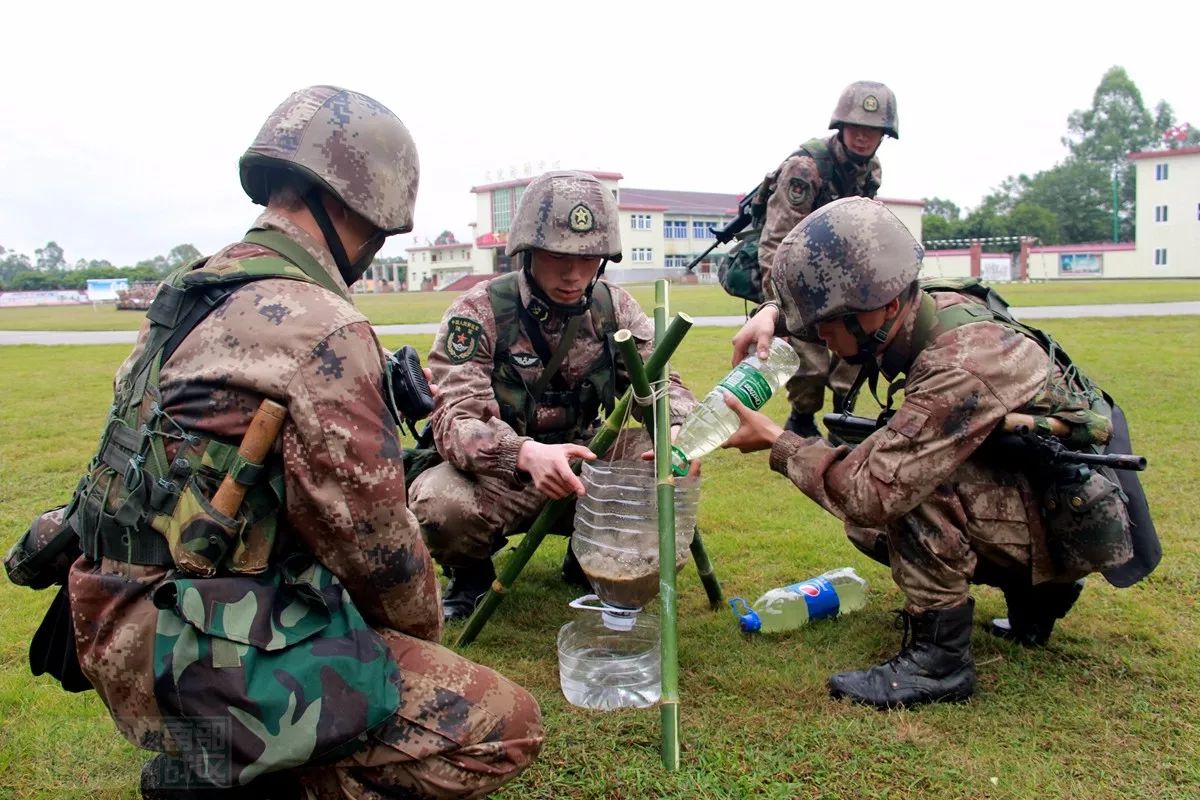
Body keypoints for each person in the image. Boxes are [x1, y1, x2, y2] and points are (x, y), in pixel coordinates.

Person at [58, 85, 542, 798]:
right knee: (505, 723)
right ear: (359, 204)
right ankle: (241, 777)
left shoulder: (189, 291)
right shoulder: (324, 327)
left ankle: (214, 756)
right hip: (184, 652)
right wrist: (415, 641)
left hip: (104, 617)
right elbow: (380, 556)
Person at [724, 196, 1140, 709]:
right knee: (904, 468)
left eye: (826, 324)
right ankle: (1037, 600)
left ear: (883, 307)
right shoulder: (924, 300)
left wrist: (777, 441)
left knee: (902, 488)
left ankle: (938, 662)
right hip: (1056, 497)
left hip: (1072, 518)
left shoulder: (961, 362)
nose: (819, 338)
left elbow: (873, 493)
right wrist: (772, 314)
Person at [409, 170, 698, 621]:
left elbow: (662, 385)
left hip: (588, 464)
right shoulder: (478, 311)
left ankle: (591, 556)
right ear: (527, 252)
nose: (573, 274)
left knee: (653, 460)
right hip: (507, 475)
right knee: (440, 503)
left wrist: (677, 426)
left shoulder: (614, 308)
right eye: (558, 256)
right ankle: (470, 575)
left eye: (589, 259)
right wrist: (522, 453)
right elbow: (455, 419)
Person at [747, 80, 898, 438]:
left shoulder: (871, 171)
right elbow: (776, 241)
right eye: (856, 127)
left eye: (873, 130)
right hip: (797, 275)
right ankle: (801, 420)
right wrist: (778, 304)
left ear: (884, 135)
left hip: (843, 277)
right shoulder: (805, 169)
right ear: (841, 126)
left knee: (858, 351)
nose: (863, 137)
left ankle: (841, 422)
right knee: (809, 365)